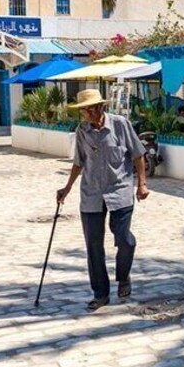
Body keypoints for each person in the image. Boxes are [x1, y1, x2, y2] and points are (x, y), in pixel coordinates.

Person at [56, 89, 149, 311]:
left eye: (87, 109)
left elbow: (137, 154)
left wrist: (142, 184)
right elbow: (79, 162)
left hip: (120, 192)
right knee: (93, 246)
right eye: (82, 110)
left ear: (99, 107)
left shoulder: (120, 125)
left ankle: (123, 276)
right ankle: (101, 293)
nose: (85, 114)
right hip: (91, 195)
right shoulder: (82, 131)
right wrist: (67, 188)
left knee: (124, 239)